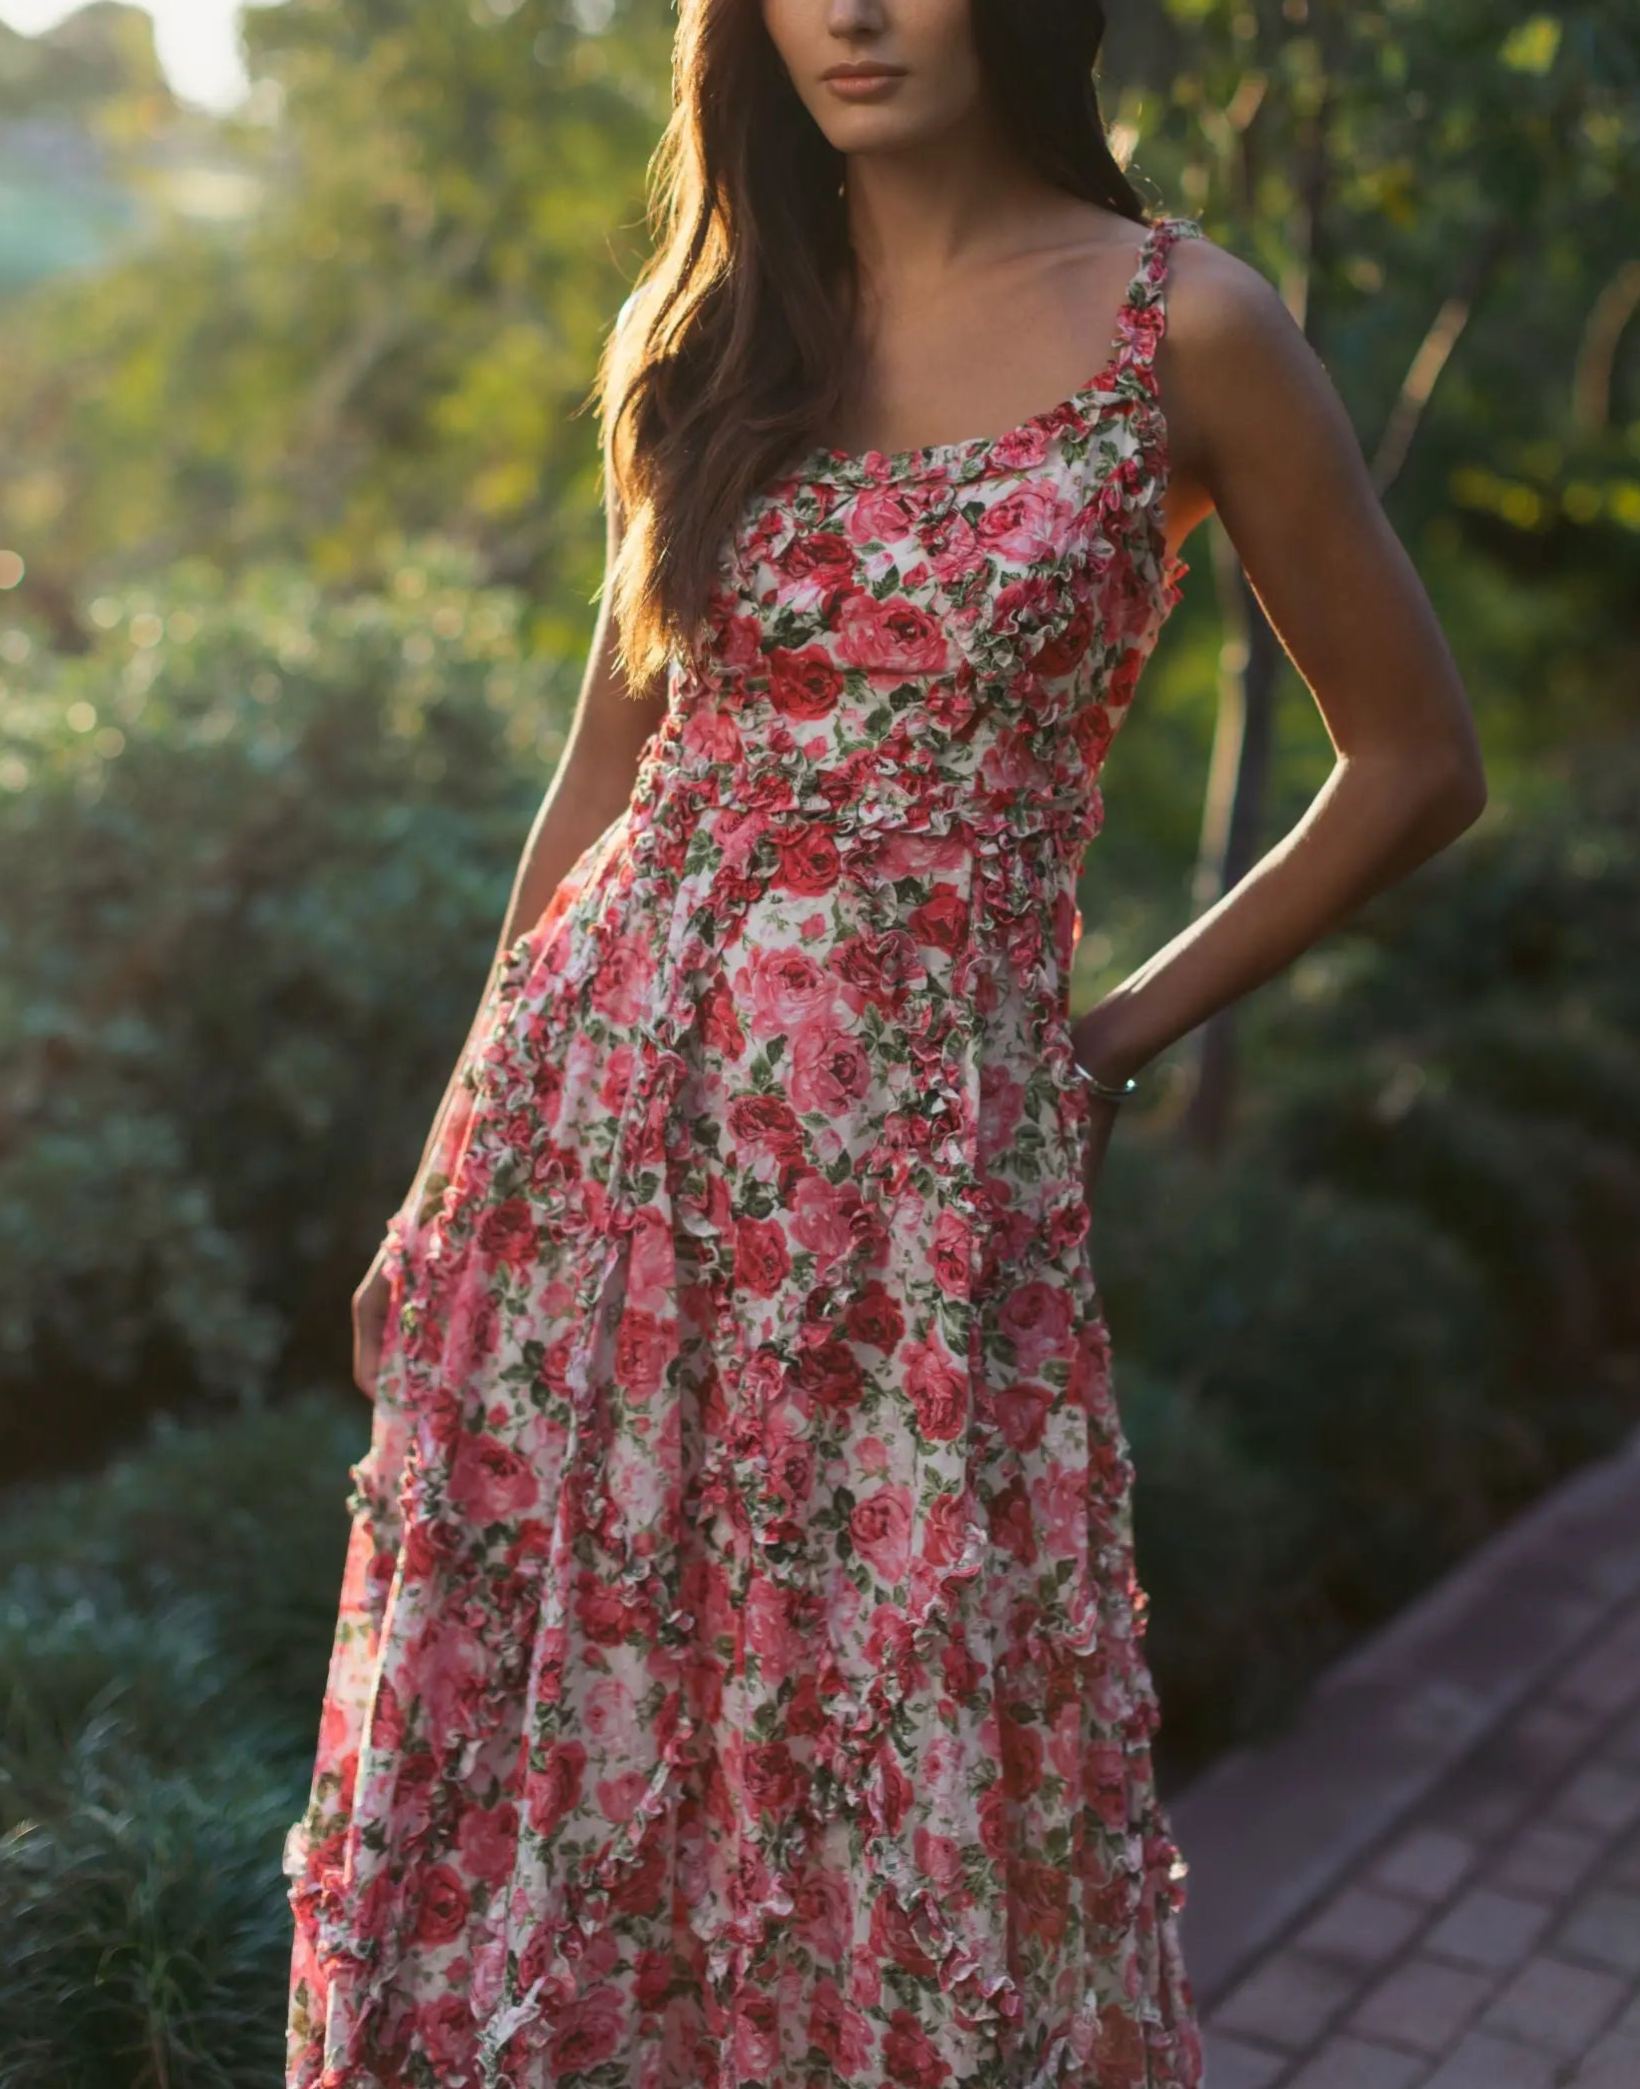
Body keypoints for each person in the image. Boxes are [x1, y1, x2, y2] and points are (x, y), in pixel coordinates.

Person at [284, 3, 1487, 2084]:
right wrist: (446, 1159)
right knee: (581, 1758)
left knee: (893, 1750)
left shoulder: (1187, 328)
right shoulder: (717, 321)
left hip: (913, 1207)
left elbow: (1416, 762)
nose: (850, 9)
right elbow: (608, 767)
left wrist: (1109, 1039)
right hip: (593, 1167)